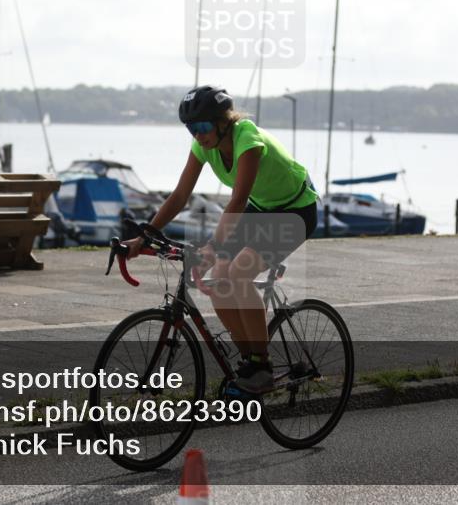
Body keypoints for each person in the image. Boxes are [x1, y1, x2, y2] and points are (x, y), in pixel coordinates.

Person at [124, 85, 318, 393]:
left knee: (239, 273)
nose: (198, 135)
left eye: (202, 126)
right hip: (261, 209)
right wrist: (145, 235)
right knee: (217, 281)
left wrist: (214, 245)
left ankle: (262, 366)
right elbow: (180, 196)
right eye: (191, 129)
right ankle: (249, 362)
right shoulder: (203, 146)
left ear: (223, 121)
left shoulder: (247, 139)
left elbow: (238, 200)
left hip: (295, 211)